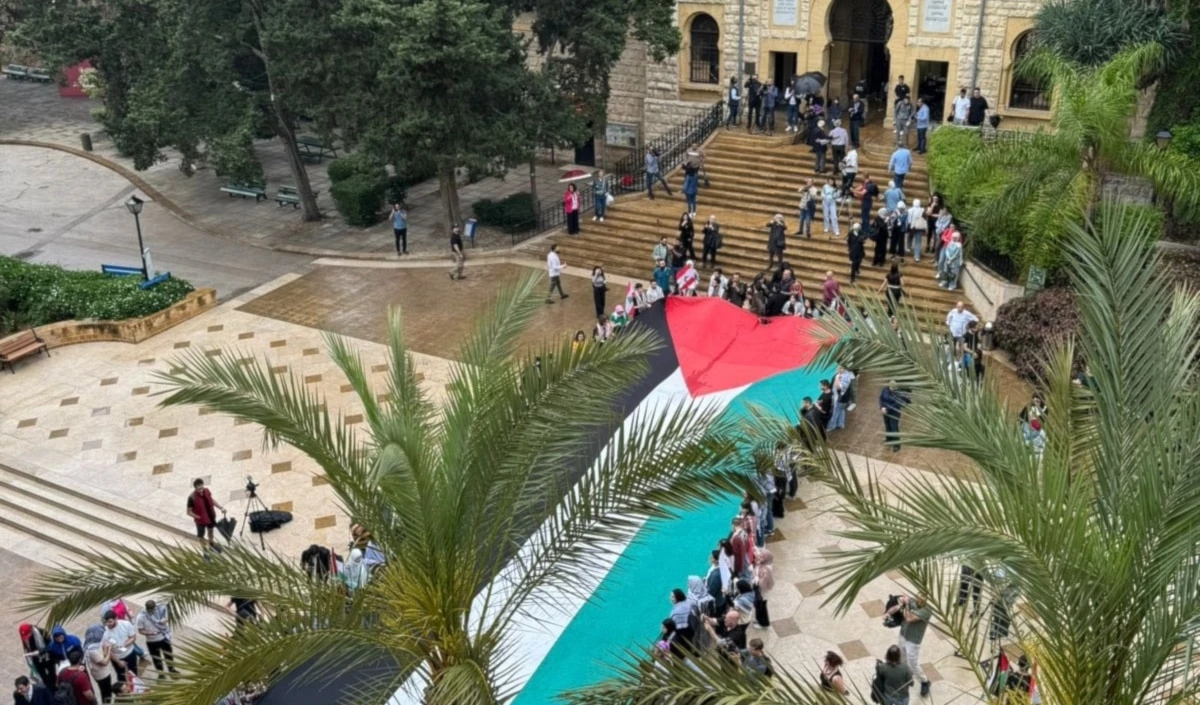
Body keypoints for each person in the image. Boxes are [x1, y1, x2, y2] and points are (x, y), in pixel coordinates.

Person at [888, 594, 933, 696]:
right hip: (903, 634)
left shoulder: (926, 610)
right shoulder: (913, 601)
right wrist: (901, 600)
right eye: (918, 597)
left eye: (922, 598)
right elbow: (899, 603)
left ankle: (924, 681)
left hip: (913, 640)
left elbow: (909, 618)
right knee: (902, 658)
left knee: (912, 663)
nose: (918, 599)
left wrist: (906, 604)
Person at [134, 601, 176, 677]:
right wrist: (150, 633)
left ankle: (172, 669)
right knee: (156, 658)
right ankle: (161, 673)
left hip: (163, 637)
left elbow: (167, 617)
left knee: (169, 655)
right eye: (149, 609)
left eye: (152, 609)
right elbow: (140, 630)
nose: (151, 611)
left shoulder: (159, 610)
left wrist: (164, 620)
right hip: (152, 641)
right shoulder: (141, 617)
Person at [186, 478, 225, 547]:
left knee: (210, 532)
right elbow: (189, 512)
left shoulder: (206, 491)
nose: (201, 489)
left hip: (210, 517)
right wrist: (199, 517)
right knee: (201, 536)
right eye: (199, 488)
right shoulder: (191, 498)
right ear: (195, 488)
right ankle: (205, 550)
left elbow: (211, 500)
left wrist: (220, 507)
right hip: (200, 522)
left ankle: (211, 544)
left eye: (202, 487)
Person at [83, 625, 116, 703]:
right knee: (106, 692)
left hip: (99, 672)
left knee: (106, 690)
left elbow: (102, 654)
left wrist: (105, 648)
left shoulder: (92, 643)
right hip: (101, 674)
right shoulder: (92, 650)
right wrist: (109, 650)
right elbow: (104, 662)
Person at [102, 609, 139, 676]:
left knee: (134, 674)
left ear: (116, 619)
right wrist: (118, 662)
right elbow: (108, 651)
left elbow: (133, 637)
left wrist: (125, 644)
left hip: (130, 653)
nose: (108, 624)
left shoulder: (126, 624)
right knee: (122, 677)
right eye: (106, 622)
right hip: (118, 658)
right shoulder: (105, 633)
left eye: (110, 622)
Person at [18, 625, 55, 690]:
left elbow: (50, 645)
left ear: (31, 630)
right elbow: (27, 647)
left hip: (47, 657)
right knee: (43, 677)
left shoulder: (42, 632)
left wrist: (40, 652)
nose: (26, 638)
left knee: (52, 674)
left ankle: (54, 687)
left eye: (27, 635)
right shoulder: (25, 638)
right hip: (36, 659)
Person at [880, 379, 907, 452]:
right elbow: (881, 398)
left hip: (894, 413)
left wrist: (887, 409)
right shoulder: (884, 389)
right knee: (887, 426)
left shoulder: (898, 393)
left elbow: (896, 404)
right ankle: (889, 439)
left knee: (894, 428)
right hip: (885, 411)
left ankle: (896, 445)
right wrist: (881, 407)